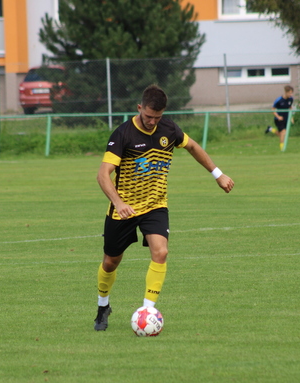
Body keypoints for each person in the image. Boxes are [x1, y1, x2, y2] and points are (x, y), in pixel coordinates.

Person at [94, 84, 235, 331]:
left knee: (161, 252)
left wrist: (217, 174)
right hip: (124, 209)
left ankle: (147, 311)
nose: (152, 122)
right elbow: (103, 174)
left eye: (157, 117)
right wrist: (118, 202)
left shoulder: (169, 129)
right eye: (148, 116)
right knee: (110, 262)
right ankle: (103, 306)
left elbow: (192, 146)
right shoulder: (123, 133)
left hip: (155, 205)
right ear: (139, 108)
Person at [265, 85, 294, 151]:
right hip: (278, 120)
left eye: (291, 93)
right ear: (285, 92)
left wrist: (291, 117)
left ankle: (271, 129)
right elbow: (273, 110)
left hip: (286, 118)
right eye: (289, 93)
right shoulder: (279, 100)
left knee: (282, 134)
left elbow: (290, 108)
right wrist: (278, 116)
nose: (291, 94)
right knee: (283, 132)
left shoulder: (291, 99)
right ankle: (282, 149)